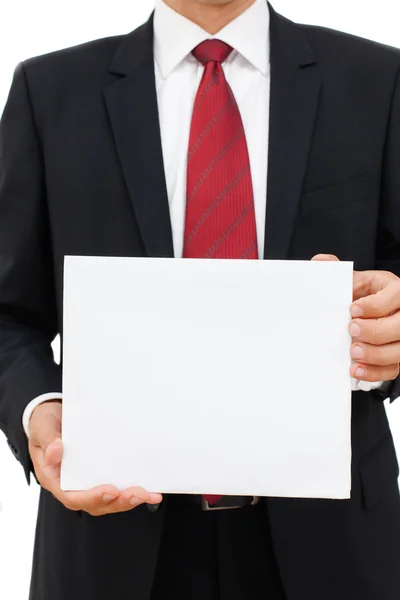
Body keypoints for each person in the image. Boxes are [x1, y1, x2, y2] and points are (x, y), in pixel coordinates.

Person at [0, 0, 400, 598]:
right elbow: (8, 310)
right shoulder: (50, 90)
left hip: (332, 534)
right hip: (113, 529)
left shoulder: (378, 79)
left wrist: (389, 328)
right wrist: (39, 410)